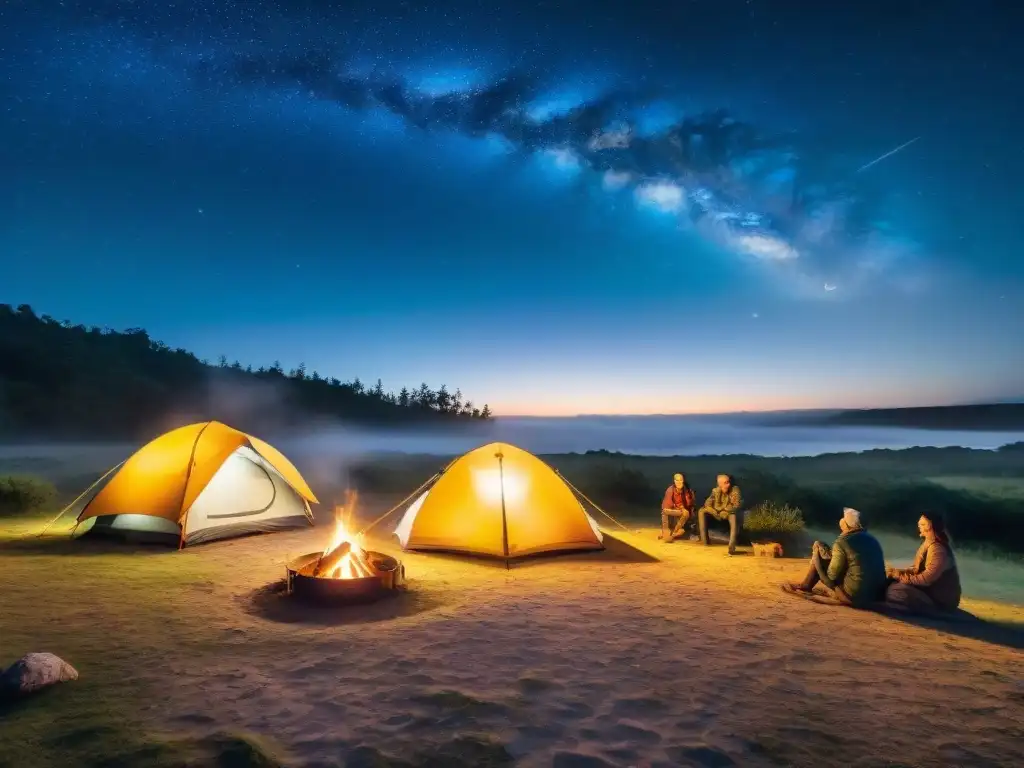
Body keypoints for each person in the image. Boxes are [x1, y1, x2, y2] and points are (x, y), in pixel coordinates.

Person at [786, 507, 887, 608]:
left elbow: (831, 576)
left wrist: (819, 560)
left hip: (852, 597)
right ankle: (807, 584)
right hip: (874, 597)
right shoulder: (872, 540)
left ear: (846, 523)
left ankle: (806, 585)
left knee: (817, 545)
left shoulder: (843, 542)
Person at [885, 512, 962, 613]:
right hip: (929, 593)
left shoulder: (938, 549)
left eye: (922, 525)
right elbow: (917, 569)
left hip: (941, 600)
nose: (919, 527)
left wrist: (900, 577)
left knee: (896, 591)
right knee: (891, 583)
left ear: (929, 527)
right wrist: (898, 572)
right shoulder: (928, 543)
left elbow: (926, 579)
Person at [697, 474, 742, 555]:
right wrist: (714, 511)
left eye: (728, 482)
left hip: (728, 513)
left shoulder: (735, 490)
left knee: (733, 517)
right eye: (725, 483)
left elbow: (736, 505)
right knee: (701, 511)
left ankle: (731, 547)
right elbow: (707, 504)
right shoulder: (715, 491)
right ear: (719, 484)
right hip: (717, 512)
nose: (728, 484)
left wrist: (724, 510)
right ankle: (705, 542)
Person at [659, 473, 696, 542]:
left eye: (680, 480)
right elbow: (667, 507)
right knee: (665, 511)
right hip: (674, 511)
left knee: (688, 514)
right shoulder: (670, 490)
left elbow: (691, 504)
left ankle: (674, 532)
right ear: (674, 481)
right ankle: (666, 532)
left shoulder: (688, 491)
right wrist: (681, 508)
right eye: (677, 480)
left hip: (686, 513)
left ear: (683, 481)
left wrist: (689, 511)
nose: (679, 482)